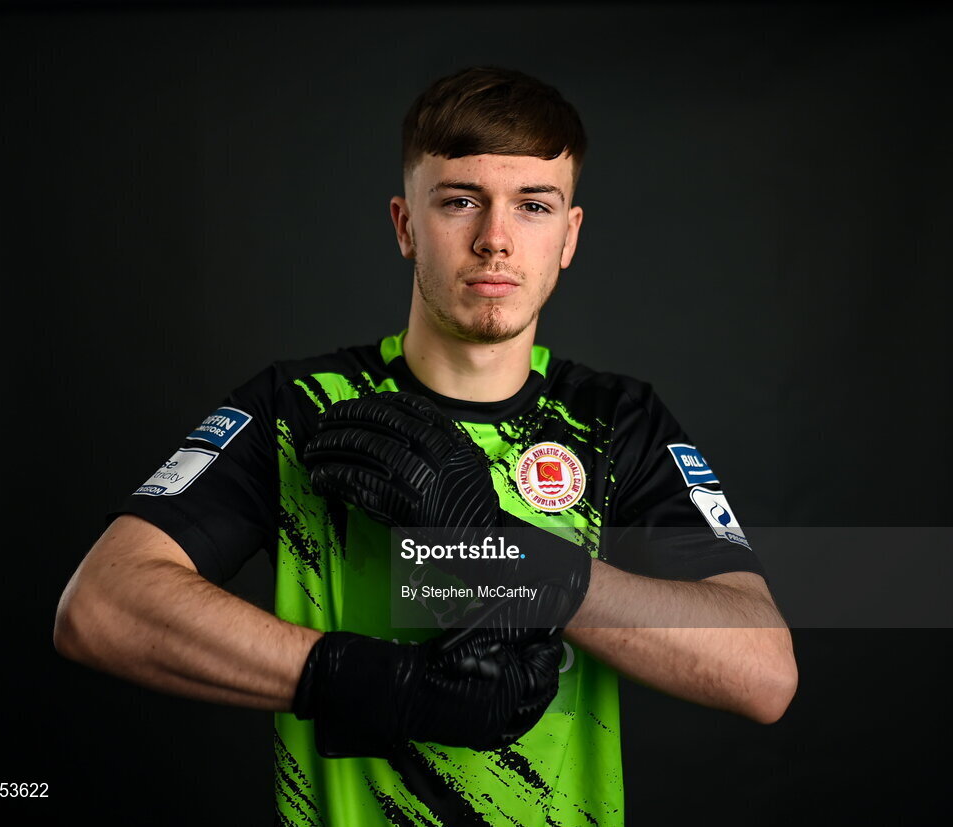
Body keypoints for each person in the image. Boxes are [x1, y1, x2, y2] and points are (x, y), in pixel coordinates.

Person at [54, 66, 797, 826]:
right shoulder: (300, 407)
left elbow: (763, 672)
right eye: (460, 201)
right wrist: (379, 683)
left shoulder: (614, 420)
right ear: (406, 224)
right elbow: (103, 605)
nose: (495, 239)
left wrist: (514, 559)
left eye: (532, 205)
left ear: (569, 236)